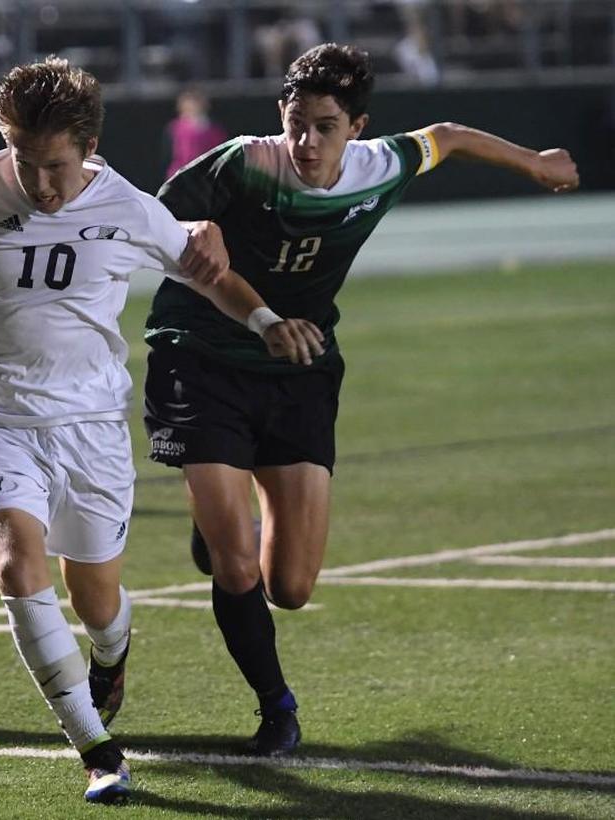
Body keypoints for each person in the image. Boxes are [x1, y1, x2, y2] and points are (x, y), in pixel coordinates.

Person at [0, 57, 322, 804]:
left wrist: (267, 322)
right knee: (19, 564)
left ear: (88, 147)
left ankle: (110, 656)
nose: (40, 183)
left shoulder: (129, 208)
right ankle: (96, 746)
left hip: (89, 428)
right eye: (25, 161)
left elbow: (206, 270)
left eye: (54, 166)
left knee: (96, 600)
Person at [142, 42, 579, 757]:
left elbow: (451, 138)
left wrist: (534, 161)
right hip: (203, 356)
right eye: (294, 123)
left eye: (323, 126)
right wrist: (198, 230)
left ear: (357, 127)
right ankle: (276, 707)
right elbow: (157, 218)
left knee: (292, 585)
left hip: (303, 366)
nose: (305, 141)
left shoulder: (383, 164)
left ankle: (224, 520)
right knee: (236, 567)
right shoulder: (245, 162)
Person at [162, 88, 227, 180]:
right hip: (181, 175)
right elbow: (169, 155)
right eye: (189, 102)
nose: (193, 106)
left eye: (196, 101)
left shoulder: (214, 129)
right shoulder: (175, 127)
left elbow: (221, 153)